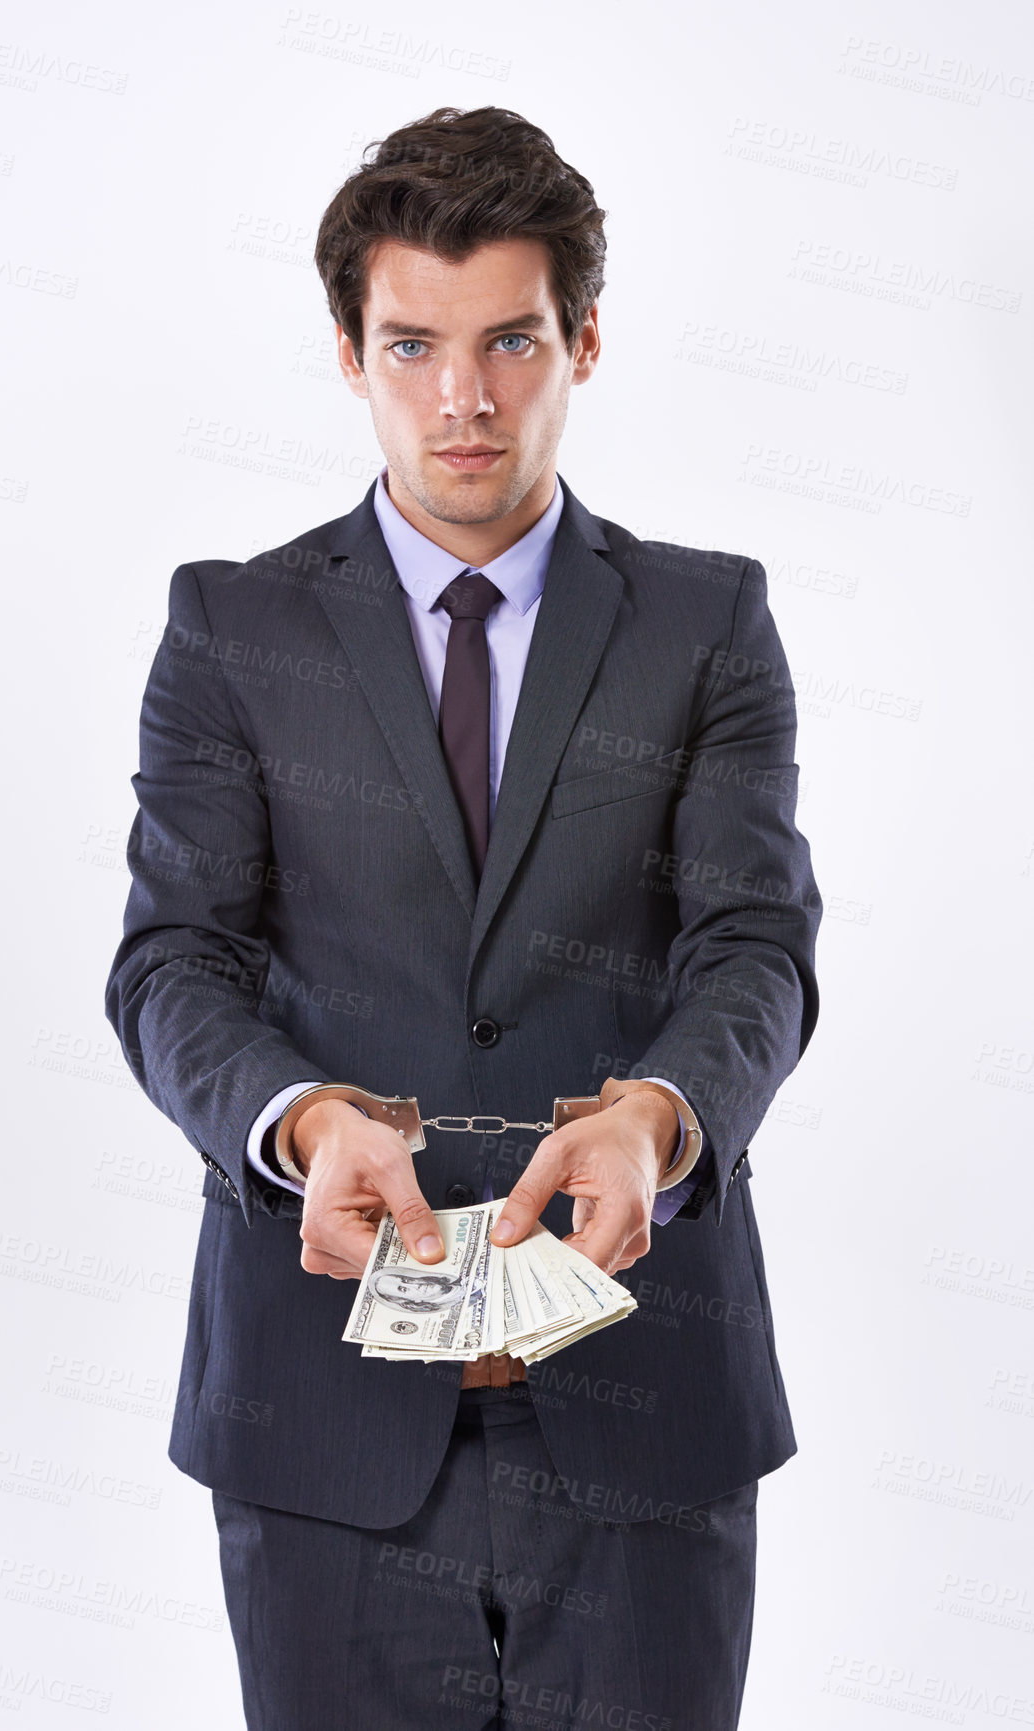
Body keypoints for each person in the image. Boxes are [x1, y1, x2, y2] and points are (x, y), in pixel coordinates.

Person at [105, 104, 822, 1731]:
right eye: (412, 347)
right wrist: (298, 1123)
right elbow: (173, 966)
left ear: (584, 342)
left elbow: (754, 948)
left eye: (510, 341)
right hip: (321, 1399)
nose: (465, 401)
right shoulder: (229, 626)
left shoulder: (710, 623)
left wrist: (660, 1118)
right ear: (349, 355)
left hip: (646, 1388)